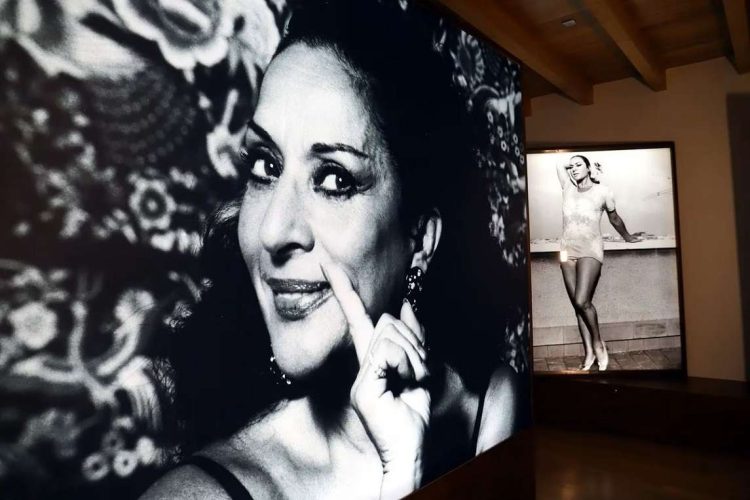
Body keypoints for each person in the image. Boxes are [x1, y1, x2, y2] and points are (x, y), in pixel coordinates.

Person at [142, 1, 526, 498]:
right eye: (264, 165)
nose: (273, 231)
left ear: (419, 241)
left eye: (333, 178)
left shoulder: (490, 410)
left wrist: (405, 463)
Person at [556, 154, 641, 371]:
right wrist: (573, 163)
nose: (573, 169)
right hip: (566, 251)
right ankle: (589, 354)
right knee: (577, 305)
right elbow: (559, 164)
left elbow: (614, 218)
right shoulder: (567, 187)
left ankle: (598, 344)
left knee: (582, 300)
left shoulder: (603, 191)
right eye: (571, 166)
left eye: (579, 165)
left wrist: (628, 236)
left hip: (590, 249)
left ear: (588, 168)